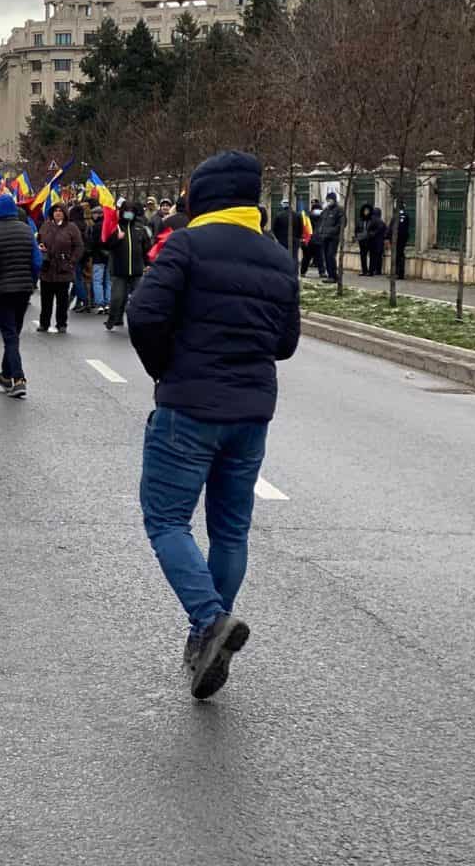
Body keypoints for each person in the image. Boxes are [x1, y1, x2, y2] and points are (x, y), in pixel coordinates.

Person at [126, 151, 300, 700]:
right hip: (251, 415)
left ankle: (208, 622)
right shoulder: (278, 257)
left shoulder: (186, 245)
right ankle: (205, 641)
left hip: (189, 410)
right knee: (230, 531)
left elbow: (144, 314)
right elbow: (286, 343)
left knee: (166, 520)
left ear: (202, 199)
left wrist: (165, 369)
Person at [0, 191, 41, 398]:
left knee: (9, 335)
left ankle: (18, 378)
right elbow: (37, 261)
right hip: (24, 289)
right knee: (14, 332)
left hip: (2, 289)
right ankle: (6, 375)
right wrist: (32, 282)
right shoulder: (26, 230)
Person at [105, 199, 152, 330]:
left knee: (138, 298)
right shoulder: (116, 227)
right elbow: (106, 244)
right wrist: (116, 238)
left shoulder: (140, 228)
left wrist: (148, 263)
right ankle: (113, 318)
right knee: (117, 298)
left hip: (137, 270)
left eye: (131, 211)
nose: (129, 213)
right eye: (127, 211)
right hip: (119, 269)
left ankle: (138, 321)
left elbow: (147, 247)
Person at [37, 204, 83, 334]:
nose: (57, 213)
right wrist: (40, 247)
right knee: (46, 300)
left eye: (60, 211)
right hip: (47, 268)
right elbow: (38, 240)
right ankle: (44, 323)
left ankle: (61, 323)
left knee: (62, 300)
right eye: (55, 211)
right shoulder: (46, 226)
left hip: (63, 269)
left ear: (64, 213)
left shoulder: (71, 228)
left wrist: (71, 262)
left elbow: (79, 247)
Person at [317, 190, 343, 282]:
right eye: (327, 200)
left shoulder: (339, 210)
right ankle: (330, 276)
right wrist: (319, 232)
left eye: (330, 200)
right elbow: (321, 222)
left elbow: (342, 224)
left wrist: (332, 231)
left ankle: (333, 276)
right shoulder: (326, 210)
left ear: (334, 200)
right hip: (324, 237)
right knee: (326, 257)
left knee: (330, 256)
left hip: (333, 238)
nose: (328, 201)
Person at [363, 205, 388, 277]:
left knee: (372, 256)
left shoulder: (372, 220)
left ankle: (371, 271)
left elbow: (368, 229)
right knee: (379, 256)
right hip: (380, 242)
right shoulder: (382, 222)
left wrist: (371, 234)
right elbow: (385, 231)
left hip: (373, 242)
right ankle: (378, 270)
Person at [303, 200, 325, 278]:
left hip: (311, 239)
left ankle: (303, 271)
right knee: (318, 257)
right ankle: (321, 272)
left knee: (308, 257)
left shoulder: (308, 215)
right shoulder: (321, 217)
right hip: (316, 239)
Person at [392, 201, 410, 279]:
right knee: (401, 254)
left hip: (397, 238)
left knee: (397, 255)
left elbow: (392, 227)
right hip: (404, 238)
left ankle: (397, 273)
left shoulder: (396, 216)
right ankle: (400, 273)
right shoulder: (406, 215)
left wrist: (388, 237)